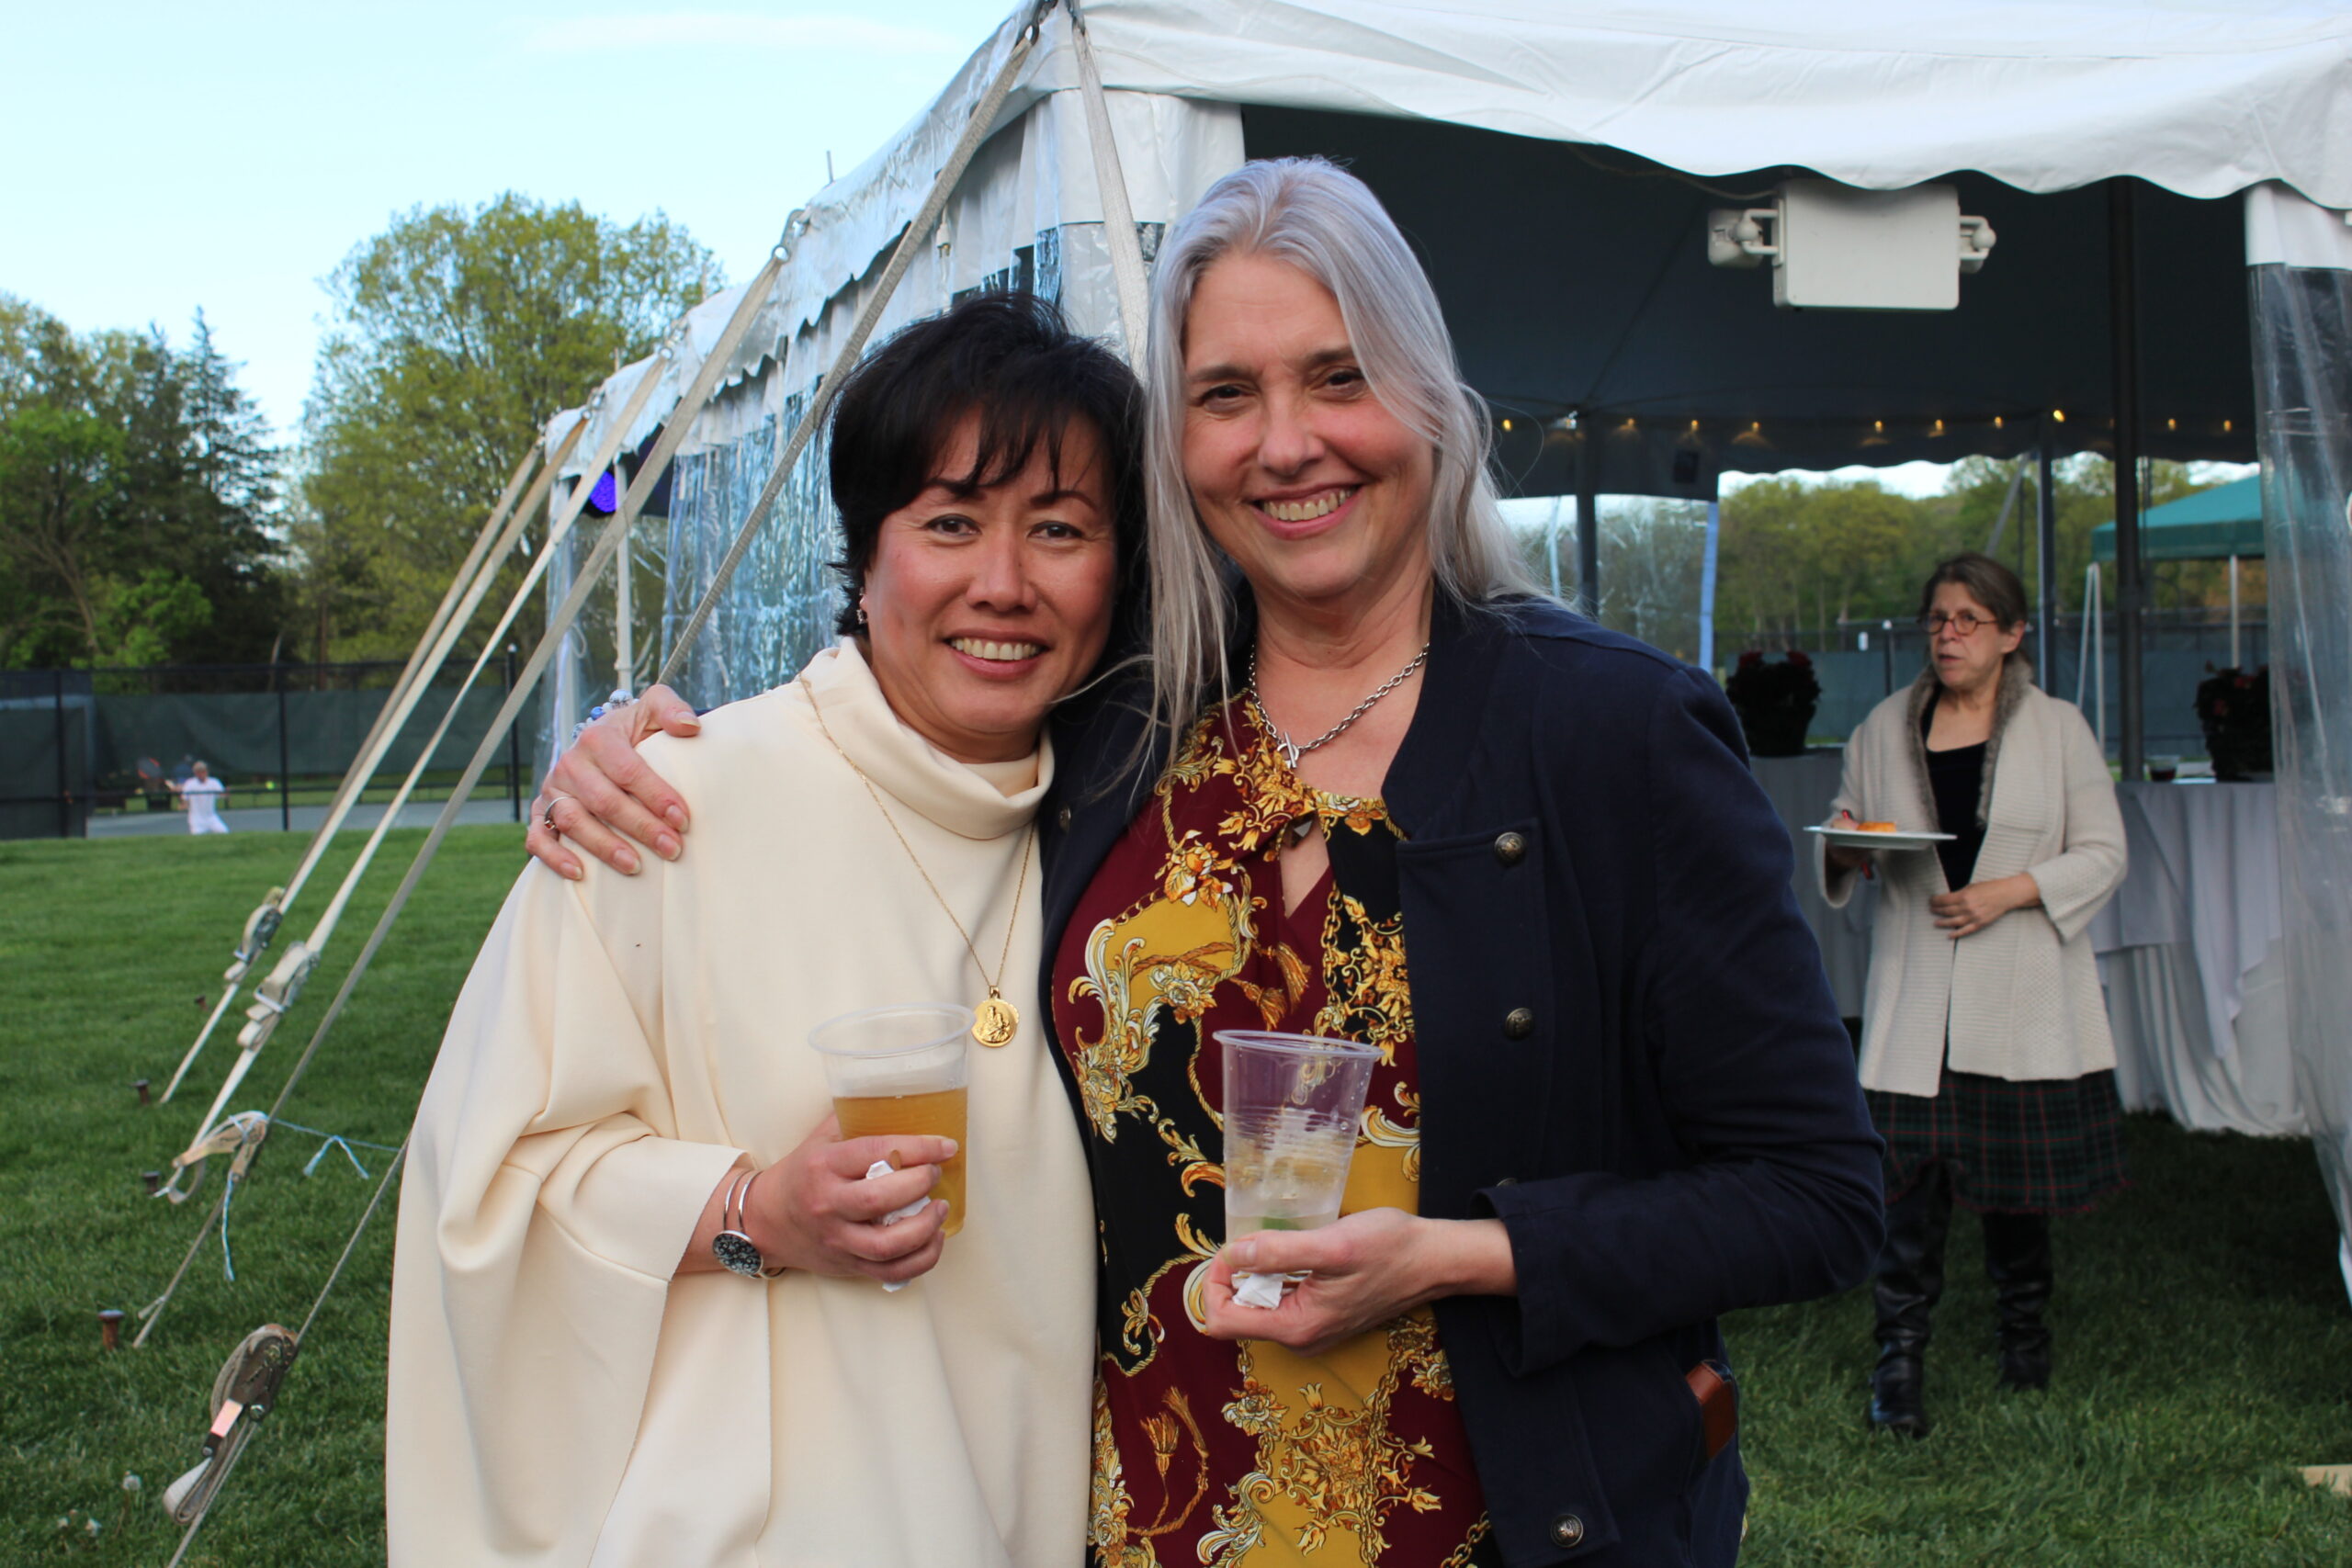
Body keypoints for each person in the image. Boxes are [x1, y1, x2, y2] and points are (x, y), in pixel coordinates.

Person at [535, 158, 1883, 1566]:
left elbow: (1819, 1194)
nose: (1285, 444)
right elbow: (898, 709)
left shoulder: (1613, 734)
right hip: (1155, 1527)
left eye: (1339, 378)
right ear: (1178, 442)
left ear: (1431, 398)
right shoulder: (1115, 729)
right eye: (1227, 395)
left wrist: (1465, 1254)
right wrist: (656, 747)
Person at [387, 291, 1145, 1567]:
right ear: (865, 554)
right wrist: (753, 1209)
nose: (1004, 583)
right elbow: (487, 1182)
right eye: (949, 522)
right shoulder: (666, 805)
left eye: (1059, 528)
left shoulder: (1128, 830)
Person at [1819, 551, 2127, 1439]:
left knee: (2015, 1193)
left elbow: (2104, 851)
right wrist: (1845, 842)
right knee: (1905, 1200)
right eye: (1937, 619)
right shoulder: (1884, 726)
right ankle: (1898, 1365)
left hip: (2020, 996)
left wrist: (2009, 892)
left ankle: (2025, 1343)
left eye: (1968, 620)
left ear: (2012, 633)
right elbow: (1847, 824)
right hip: (1916, 997)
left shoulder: (2059, 729)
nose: (1948, 635)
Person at [168, 761, 230, 833]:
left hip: (212, 817)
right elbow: (185, 799)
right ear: (195, 773)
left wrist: (226, 793)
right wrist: (183, 804)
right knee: (197, 836)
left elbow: (222, 795)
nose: (201, 774)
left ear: (206, 771)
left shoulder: (214, 782)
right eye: (198, 771)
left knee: (224, 832)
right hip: (196, 820)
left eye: (202, 771)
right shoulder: (190, 783)